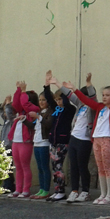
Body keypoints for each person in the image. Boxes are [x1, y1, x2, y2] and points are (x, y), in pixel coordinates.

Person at [66, 73, 110, 205]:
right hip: (96, 139)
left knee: (107, 167)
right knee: (100, 167)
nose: (104, 97)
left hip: (107, 139)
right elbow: (86, 101)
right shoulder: (99, 107)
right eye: (103, 95)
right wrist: (74, 89)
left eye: (107, 95)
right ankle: (103, 194)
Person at [60, 74, 96, 203]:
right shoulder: (80, 105)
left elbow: (92, 96)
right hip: (74, 137)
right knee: (73, 166)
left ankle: (85, 191)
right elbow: (70, 96)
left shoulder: (92, 107)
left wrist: (88, 83)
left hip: (85, 140)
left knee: (82, 165)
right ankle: (74, 190)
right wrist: (58, 84)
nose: (80, 98)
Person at [44, 73, 76, 202]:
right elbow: (49, 99)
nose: (58, 102)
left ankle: (61, 191)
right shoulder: (57, 109)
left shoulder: (69, 109)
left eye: (60, 99)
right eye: (57, 100)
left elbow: (68, 101)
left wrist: (60, 86)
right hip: (53, 140)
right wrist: (47, 85)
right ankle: (57, 189)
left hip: (62, 141)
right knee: (54, 166)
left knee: (58, 166)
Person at [8, 82, 40, 198]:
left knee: (25, 165)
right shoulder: (20, 112)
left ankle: (26, 189)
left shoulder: (34, 109)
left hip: (25, 142)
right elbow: (16, 104)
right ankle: (18, 189)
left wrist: (23, 92)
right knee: (18, 166)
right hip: (16, 141)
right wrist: (18, 90)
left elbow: (25, 104)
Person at [30, 79, 54, 200]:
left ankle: (46, 189)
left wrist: (39, 117)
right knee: (39, 167)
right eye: (40, 100)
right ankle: (41, 189)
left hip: (44, 142)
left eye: (43, 100)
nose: (41, 102)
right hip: (37, 142)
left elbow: (48, 124)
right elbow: (34, 126)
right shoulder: (39, 112)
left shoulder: (50, 112)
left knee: (45, 167)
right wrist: (24, 120)